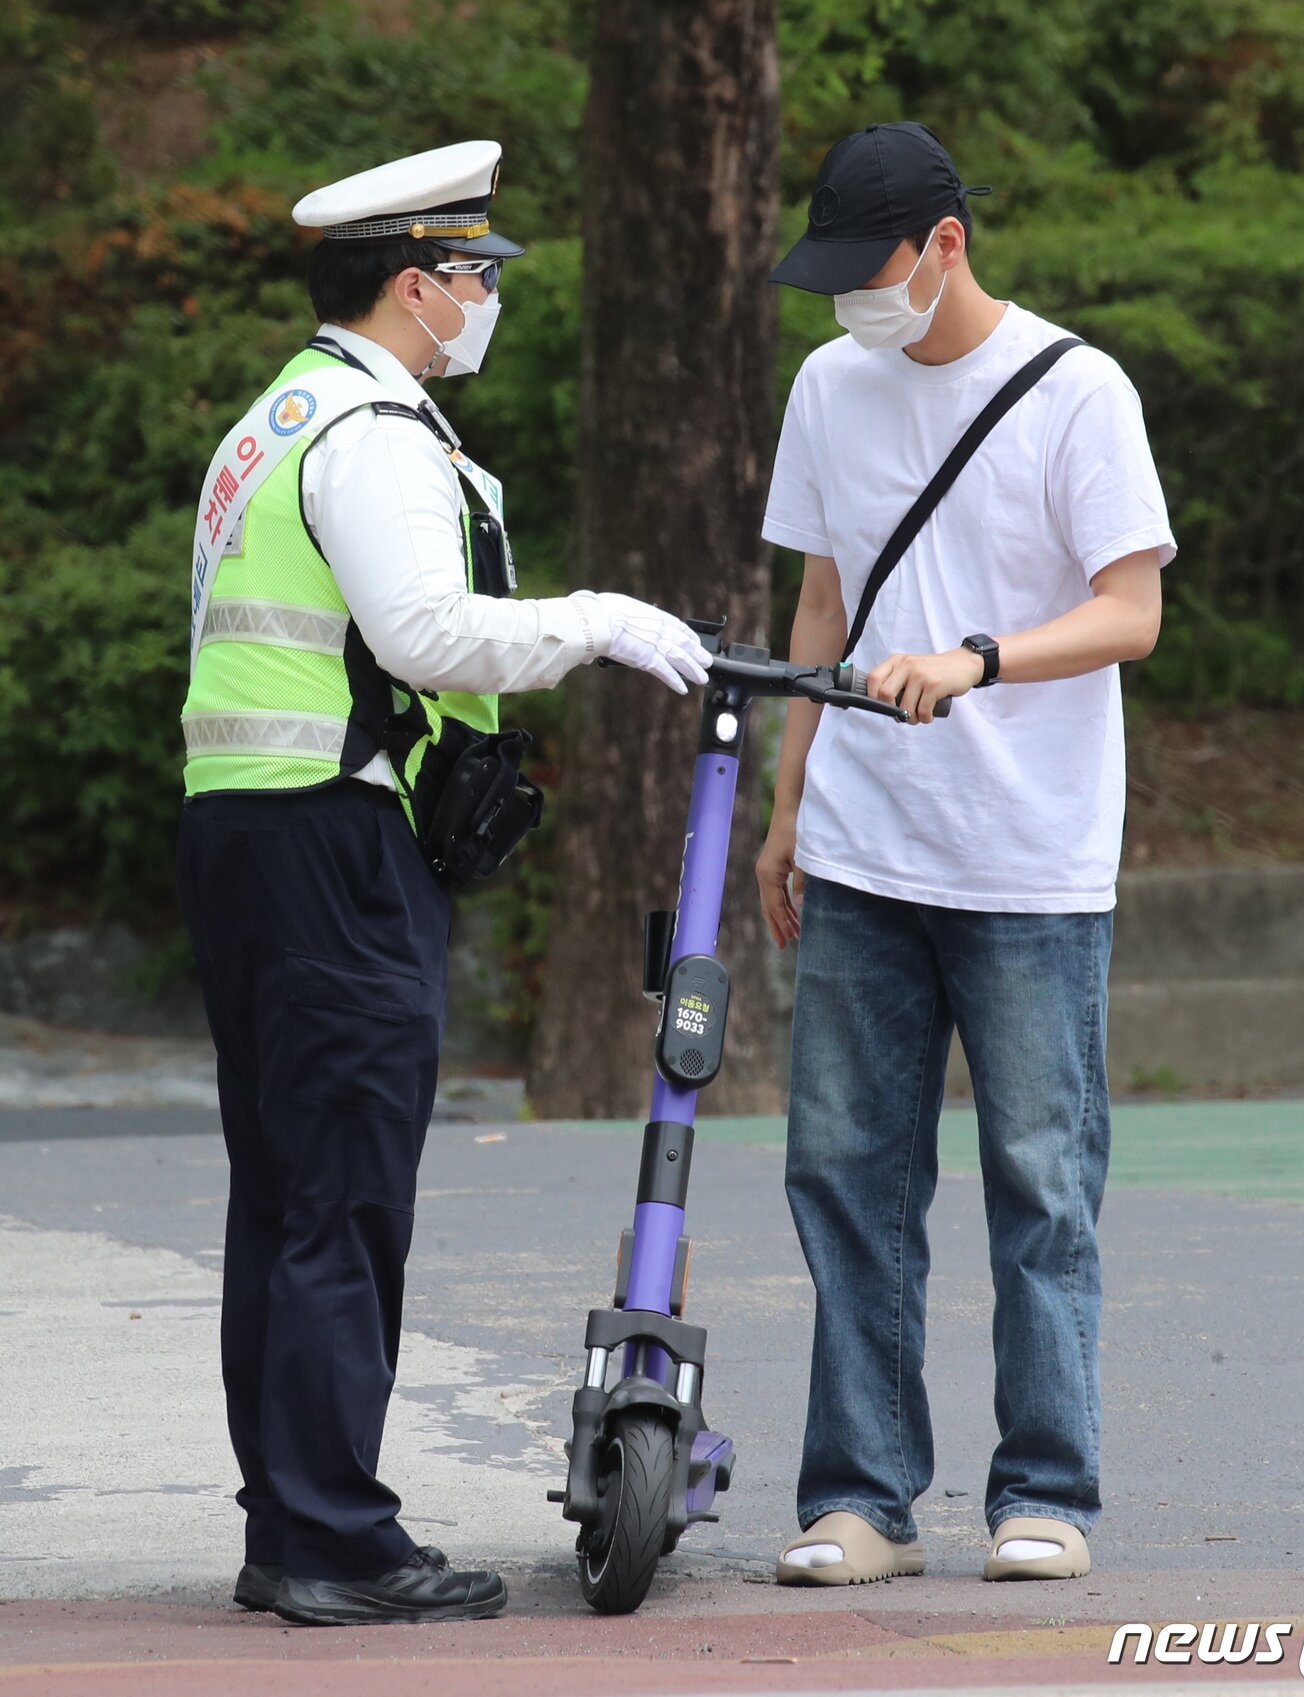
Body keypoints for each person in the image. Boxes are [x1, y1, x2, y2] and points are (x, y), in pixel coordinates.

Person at [176, 139, 710, 1627]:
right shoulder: (373, 430)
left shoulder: (272, 421)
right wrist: (595, 616)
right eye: (476, 276)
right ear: (416, 285)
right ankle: (336, 1536)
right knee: (341, 1197)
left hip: (249, 831)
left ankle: (291, 1516)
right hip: (333, 850)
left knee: (285, 1194)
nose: (486, 299)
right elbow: (420, 631)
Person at [755, 122, 1173, 1586]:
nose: (852, 306)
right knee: (846, 1173)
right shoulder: (829, 382)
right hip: (866, 843)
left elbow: (1133, 612)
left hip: (1030, 860)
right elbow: (820, 601)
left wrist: (982, 657)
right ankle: (861, 1497)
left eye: (870, 275)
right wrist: (789, 801)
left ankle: (1046, 1489)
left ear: (945, 244)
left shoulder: (1078, 392)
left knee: (1041, 1182)